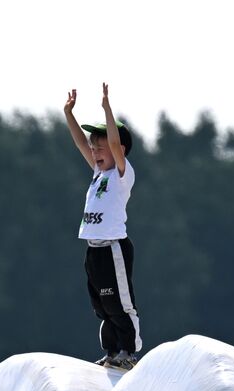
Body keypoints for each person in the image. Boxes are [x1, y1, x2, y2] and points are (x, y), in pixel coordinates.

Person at [64, 84, 142, 370]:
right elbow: (79, 144)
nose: (95, 150)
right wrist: (68, 114)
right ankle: (112, 352)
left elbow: (113, 141)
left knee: (121, 303)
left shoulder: (122, 174)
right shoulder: (99, 173)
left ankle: (129, 352)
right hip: (93, 249)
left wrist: (107, 109)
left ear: (119, 149)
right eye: (94, 146)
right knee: (102, 306)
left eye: (102, 146)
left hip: (113, 247)